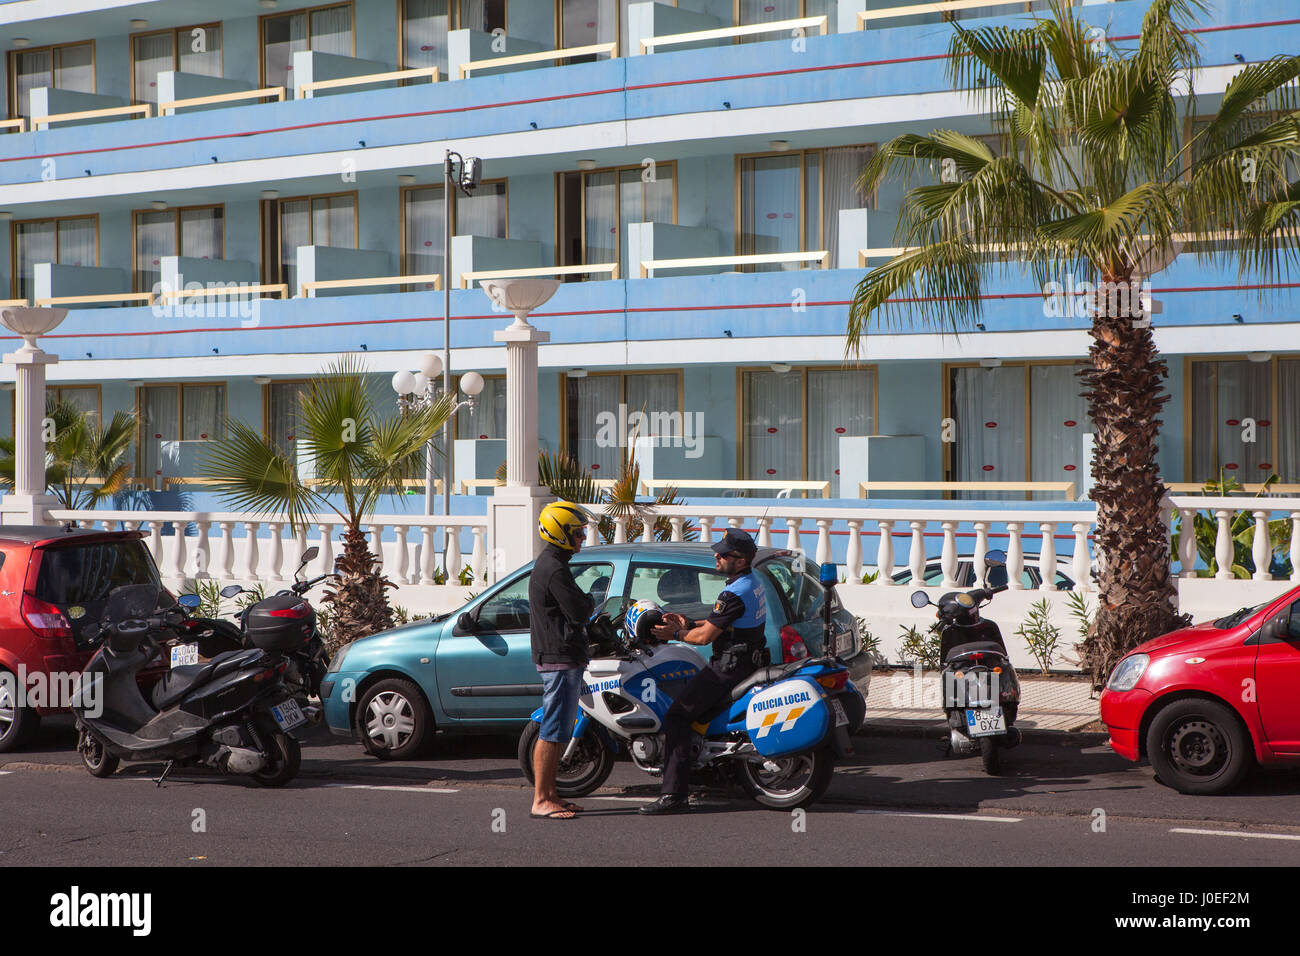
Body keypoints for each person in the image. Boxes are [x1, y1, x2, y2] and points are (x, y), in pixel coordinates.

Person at [640, 528, 767, 815]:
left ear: (741, 559)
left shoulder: (734, 592)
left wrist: (674, 633)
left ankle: (673, 794)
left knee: (677, 716)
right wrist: (688, 620)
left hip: (727, 668)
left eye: (724, 554)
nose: (717, 556)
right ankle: (707, 771)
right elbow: (723, 620)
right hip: (748, 663)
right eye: (718, 551)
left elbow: (704, 638)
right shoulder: (751, 583)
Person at [529, 500, 594, 820]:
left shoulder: (556, 563)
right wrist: (592, 597)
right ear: (560, 533)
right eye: (578, 532)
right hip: (558, 659)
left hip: (563, 658)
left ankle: (551, 794)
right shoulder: (554, 568)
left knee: (559, 730)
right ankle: (541, 799)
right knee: (552, 730)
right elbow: (581, 611)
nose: (583, 537)